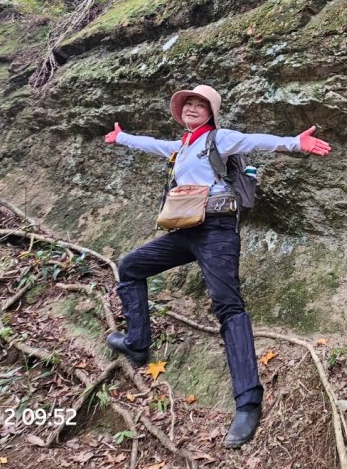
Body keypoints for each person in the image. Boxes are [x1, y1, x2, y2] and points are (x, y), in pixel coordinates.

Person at [102, 84, 331, 448]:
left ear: (211, 111)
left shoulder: (220, 139)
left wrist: (294, 142)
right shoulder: (182, 146)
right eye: (187, 103)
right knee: (130, 266)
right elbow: (152, 144)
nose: (192, 107)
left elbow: (254, 140)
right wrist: (122, 137)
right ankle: (136, 343)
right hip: (185, 232)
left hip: (217, 233)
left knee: (228, 306)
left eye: (199, 104)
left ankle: (248, 402)